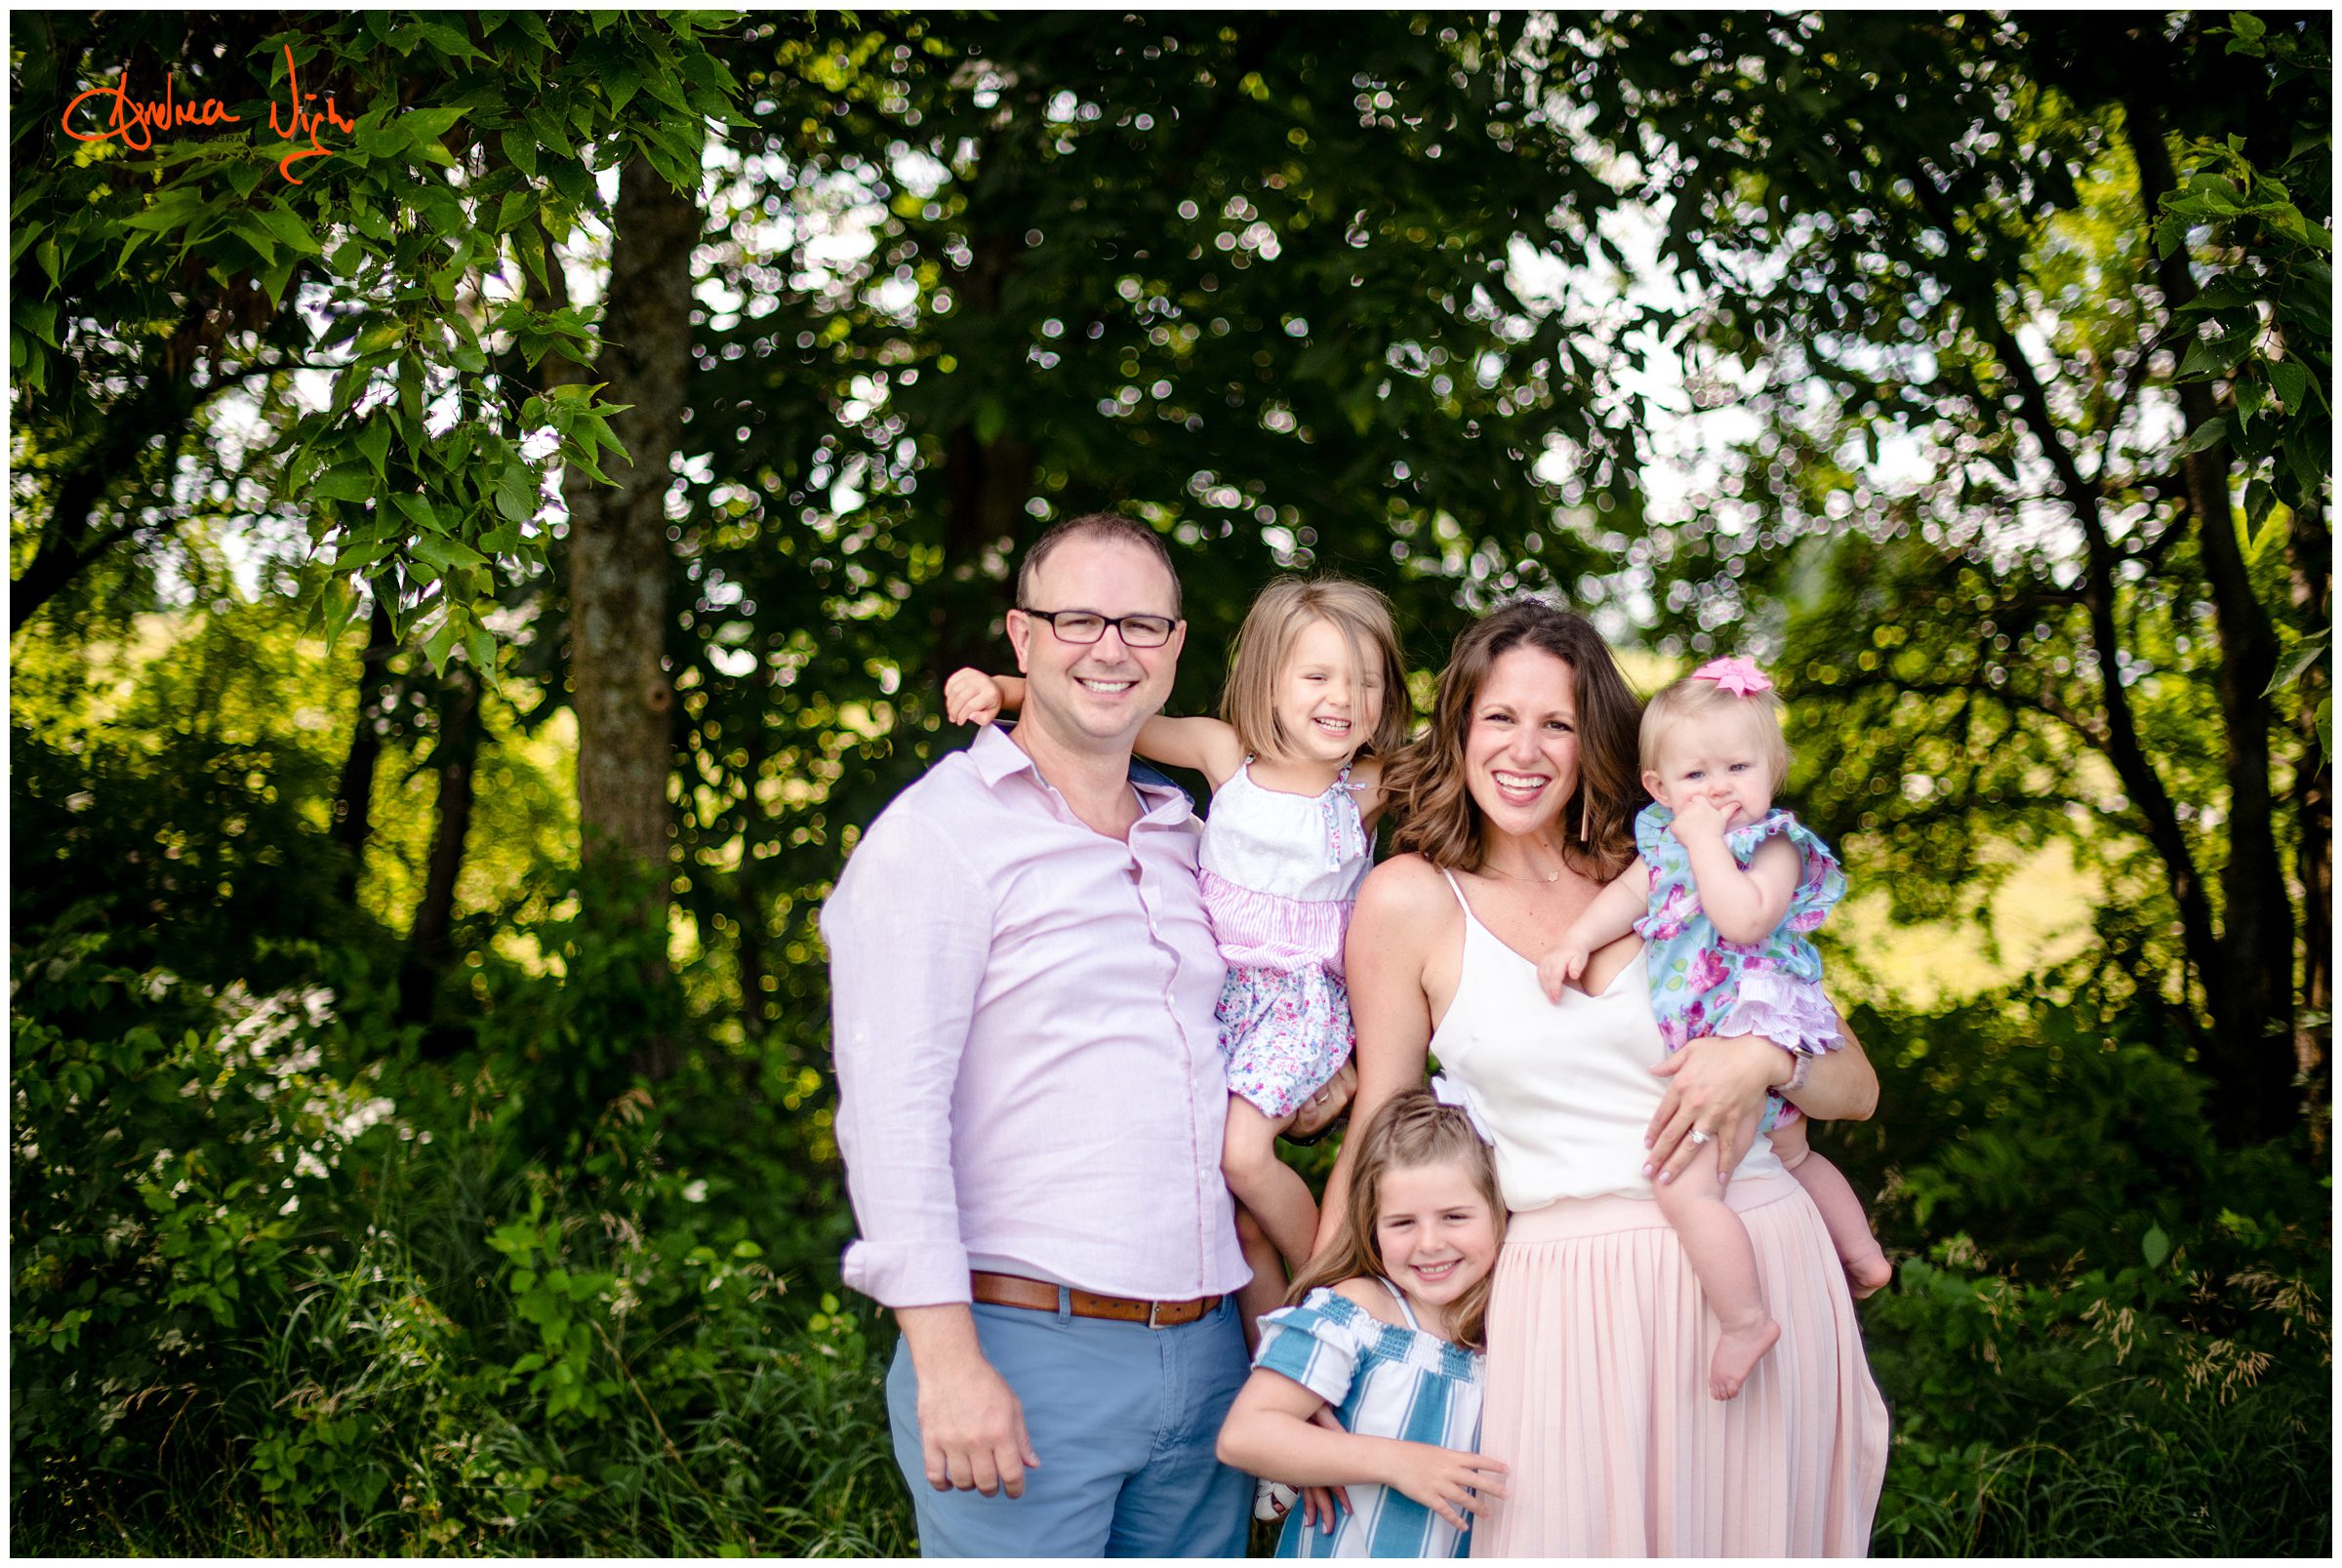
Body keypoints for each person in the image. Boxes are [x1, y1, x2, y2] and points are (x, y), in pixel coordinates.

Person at [1322, 600, 1889, 1556]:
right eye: (1501, 717)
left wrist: (1762, 1056)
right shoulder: (1410, 899)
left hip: (1755, 1255)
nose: (1526, 748)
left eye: (1559, 722)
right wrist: (1320, 1338)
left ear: (1599, 742)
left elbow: (1857, 1087)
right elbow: (1382, 1125)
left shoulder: (1674, 863)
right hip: (1563, 1299)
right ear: (1460, 725)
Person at [822, 513, 1253, 1557]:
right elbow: (891, 1113)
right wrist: (947, 1359)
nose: (1112, 647)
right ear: (1021, 638)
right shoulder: (938, 836)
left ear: (1177, 646)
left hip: (1210, 1353)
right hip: (1022, 1344)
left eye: (1143, 623)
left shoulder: (1191, 835)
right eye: (1079, 618)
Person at [945, 577, 1408, 1366]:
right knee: (1239, 1218)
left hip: (1302, 1005)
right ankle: (1277, 1368)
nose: (1345, 698)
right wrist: (1001, 687)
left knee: (1242, 1155)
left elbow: (1478, 763)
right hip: (1220, 1000)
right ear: (1268, 681)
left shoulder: (1363, 786)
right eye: (1319, 676)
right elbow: (1114, 714)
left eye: (1366, 681)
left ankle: (1337, 1294)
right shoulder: (1224, 753)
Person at [1537, 656, 1893, 1400]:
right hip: (1711, 1027)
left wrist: (1703, 842)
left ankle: (1744, 1318)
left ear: (1774, 771)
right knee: (1791, 1150)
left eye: (1738, 765)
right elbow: (1629, 897)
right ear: (1658, 790)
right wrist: (1575, 938)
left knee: (1685, 1188)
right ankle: (1862, 1256)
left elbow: (1743, 917)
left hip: (1759, 1020)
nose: (1719, 788)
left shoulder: (1773, 845)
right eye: (1695, 777)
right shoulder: (1662, 843)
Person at [1217, 1087, 1509, 1558]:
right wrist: (1396, 1462)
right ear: (1371, 1221)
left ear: (1498, 1211)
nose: (1430, 1243)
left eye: (1455, 1216)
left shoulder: (1510, 1327)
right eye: (1402, 1223)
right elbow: (1245, 1435)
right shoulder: (1359, 1312)